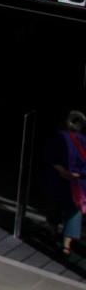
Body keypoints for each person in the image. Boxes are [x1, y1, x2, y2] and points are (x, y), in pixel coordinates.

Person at [53, 110, 86, 257]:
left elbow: (51, 158)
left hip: (61, 179)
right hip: (78, 183)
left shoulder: (60, 137)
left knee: (57, 206)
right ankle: (66, 244)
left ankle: (54, 230)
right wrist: (78, 174)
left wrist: (63, 172)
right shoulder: (83, 140)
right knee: (74, 211)